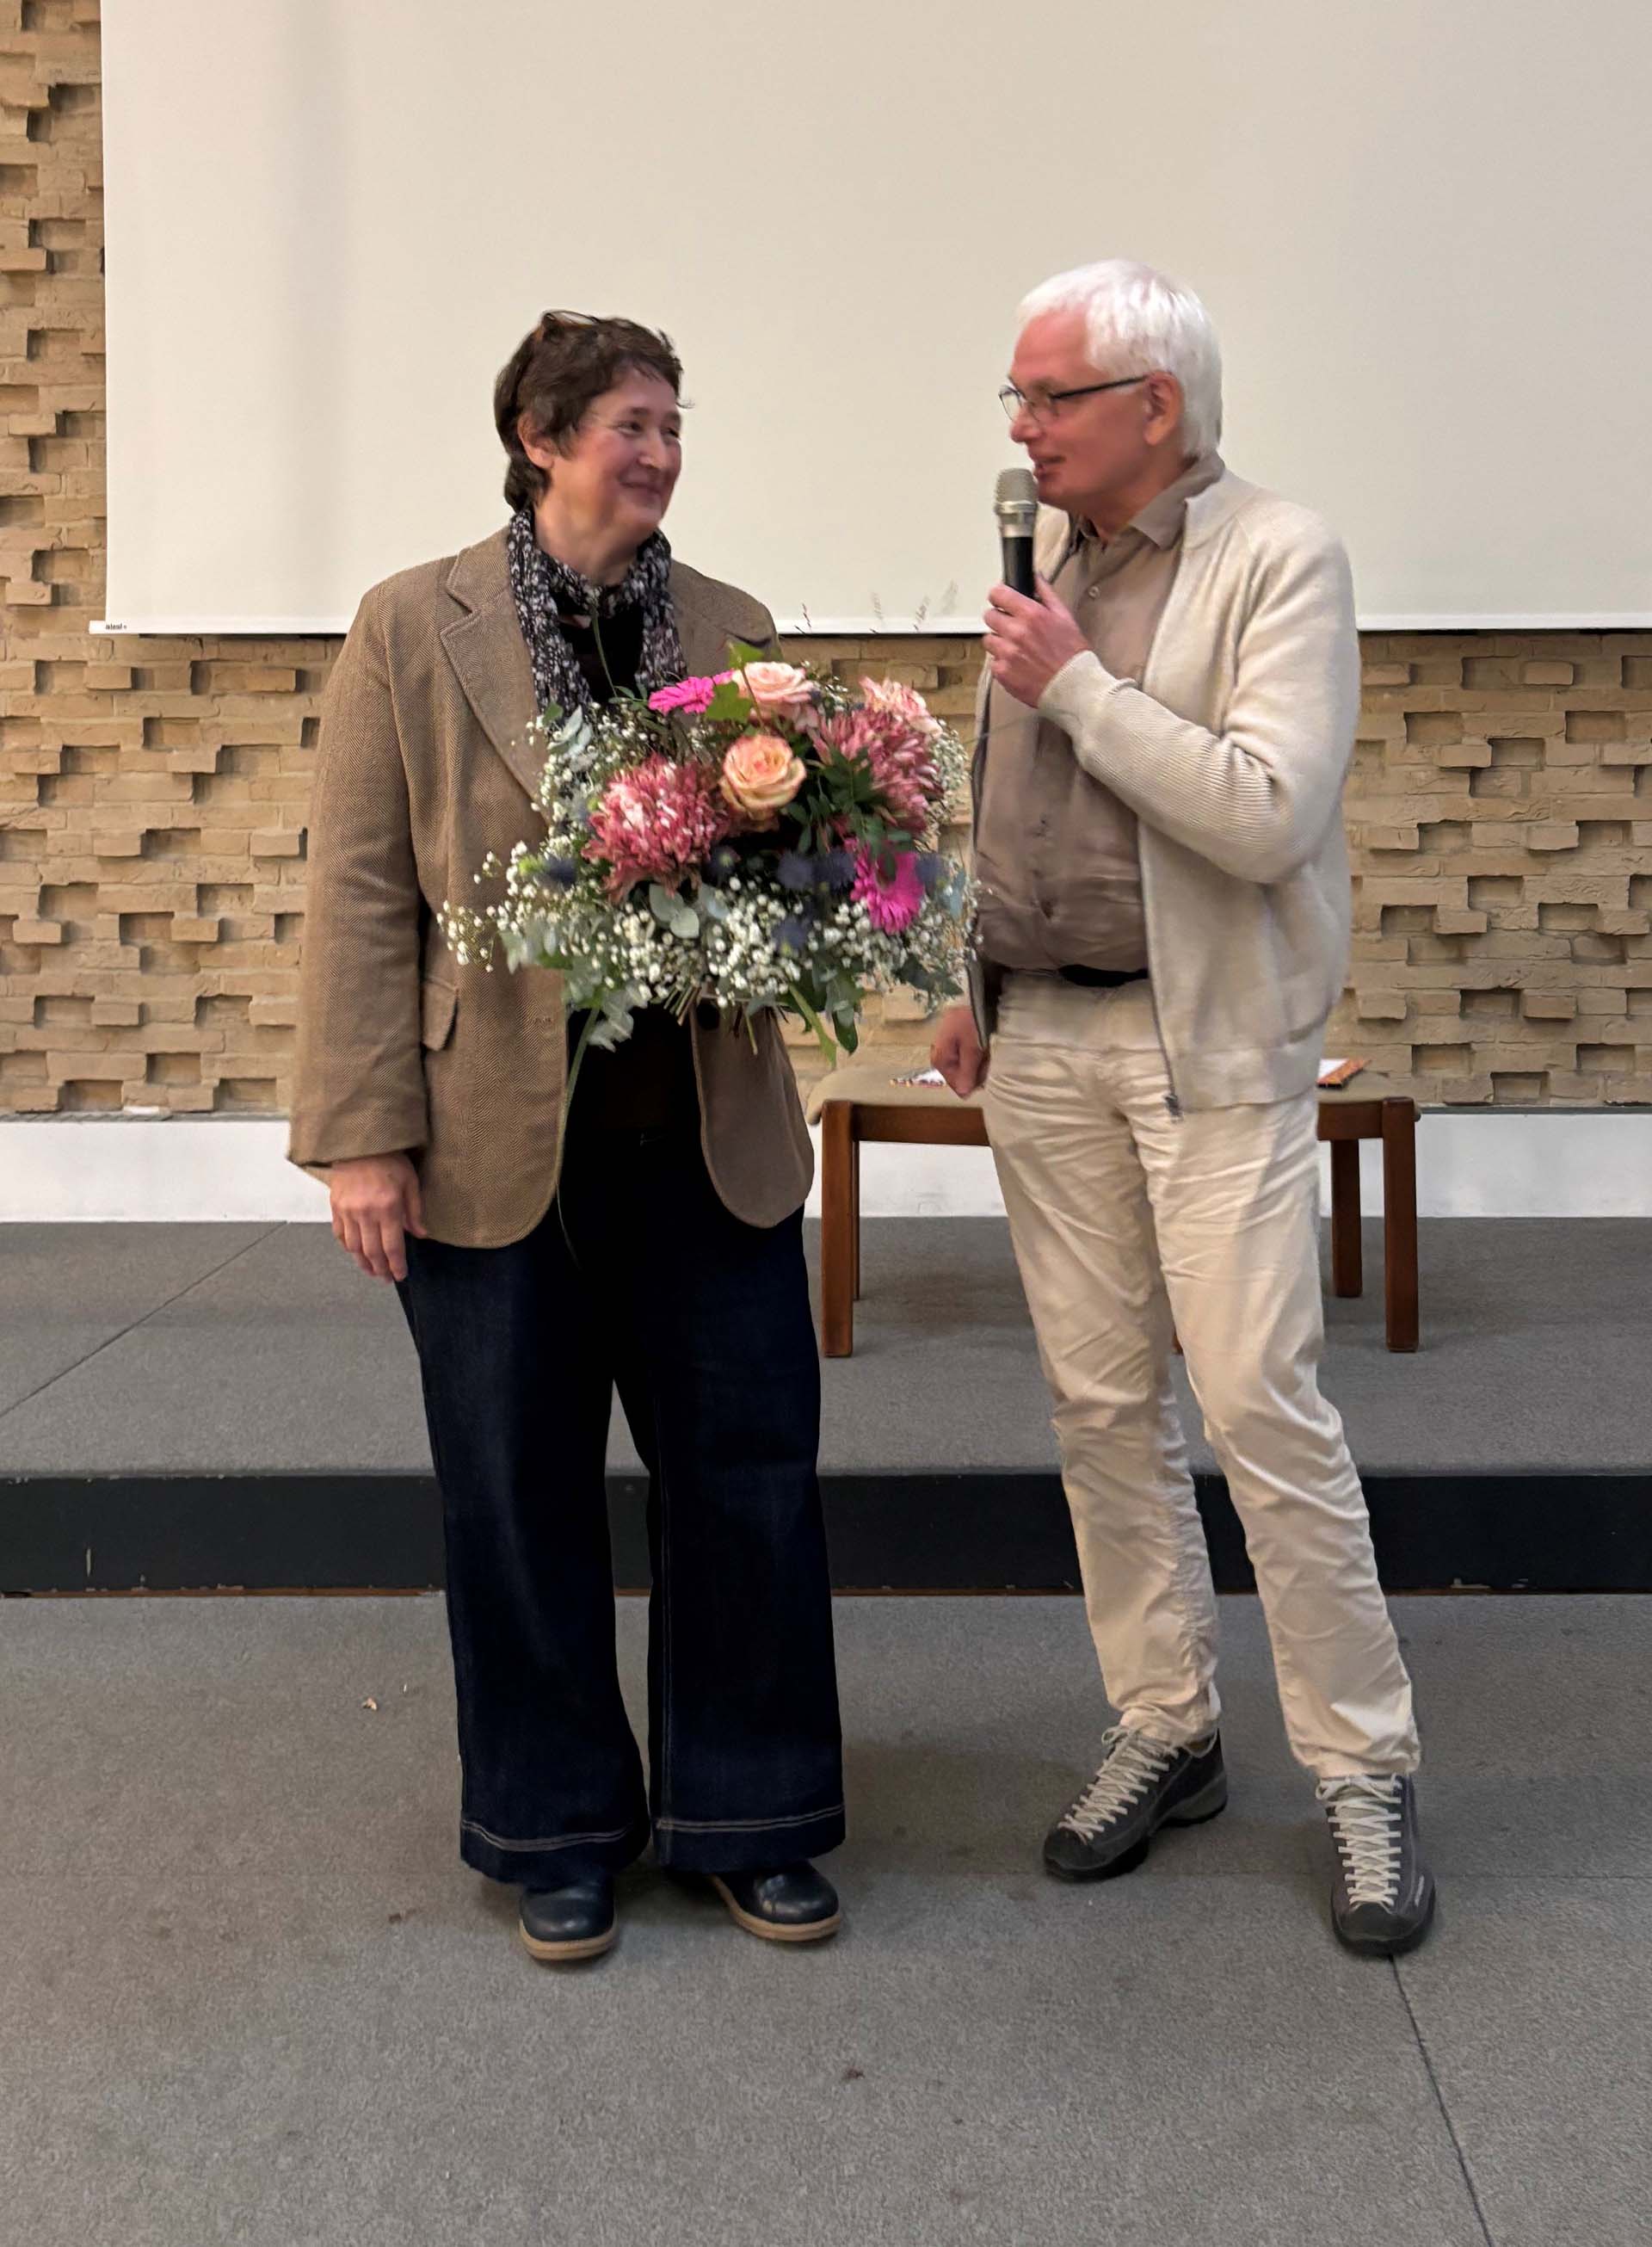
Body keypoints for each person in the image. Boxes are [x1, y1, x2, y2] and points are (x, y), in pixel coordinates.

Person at [289, 312, 844, 1964]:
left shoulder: (733, 628)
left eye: (675, 422)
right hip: (486, 1142)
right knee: (516, 1492)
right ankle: (556, 1827)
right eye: (629, 422)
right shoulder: (414, 622)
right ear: (539, 437)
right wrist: (362, 1138)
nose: (661, 451)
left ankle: (751, 1815)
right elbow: (361, 891)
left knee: (747, 1483)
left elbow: (804, 868)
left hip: (706, 1134)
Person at [932, 259, 1435, 1956]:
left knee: (1257, 1410)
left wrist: (1074, 681)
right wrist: (965, 970)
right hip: (1046, 1046)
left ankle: (1365, 1767)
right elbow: (1004, 799)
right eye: (1016, 399)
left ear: (1155, 405)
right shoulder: (1048, 570)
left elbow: (1267, 810)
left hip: (1205, 1051)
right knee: (1097, 1408)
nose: (1023, 428)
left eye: (1049, 396)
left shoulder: (1279, 555)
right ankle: (1167, 1718)